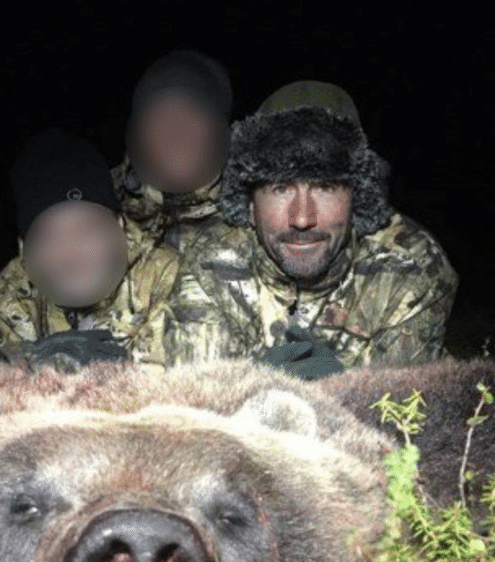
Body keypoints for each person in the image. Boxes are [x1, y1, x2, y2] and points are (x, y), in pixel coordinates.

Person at [165, 80, 458, 377]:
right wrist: (248, 387)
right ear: (250, 205)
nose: (302, 218)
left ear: (358, 198)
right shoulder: (212, 262)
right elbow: (198, 406)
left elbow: (401, 413)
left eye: (325, 187)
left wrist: (346, 389)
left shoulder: (411, 267)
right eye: (280, 188)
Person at [0, 129, 178, 370]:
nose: (71, 256)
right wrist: (42, 360)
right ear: (23, 249)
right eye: (48, 237)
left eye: (87, 230)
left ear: (119, 226)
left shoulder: (168, 276)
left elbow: (176, 393)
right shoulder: (13, 289)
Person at [112, 49, 232, 252]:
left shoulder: (263, 210)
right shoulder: (101, 205)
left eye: (193, 114)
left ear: (219, 129)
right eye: (159, 118)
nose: (176, 133)